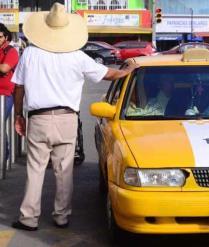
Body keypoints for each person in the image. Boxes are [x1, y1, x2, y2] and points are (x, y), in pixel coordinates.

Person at [11, 3, 138, 231]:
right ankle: (61, 216)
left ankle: (28, 218)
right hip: (66, 119)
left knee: (35, 170)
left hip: (38, 118)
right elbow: (109, 74)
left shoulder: (30, 53)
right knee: (64, 171)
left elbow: (18, 87)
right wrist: (128, 70)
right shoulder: (77, 57)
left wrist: (19, 115)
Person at [0, 23, 19, 159]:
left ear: (5, 37)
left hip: (5, 95)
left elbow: (4, 68)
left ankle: (4, 156)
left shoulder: (11, 51)